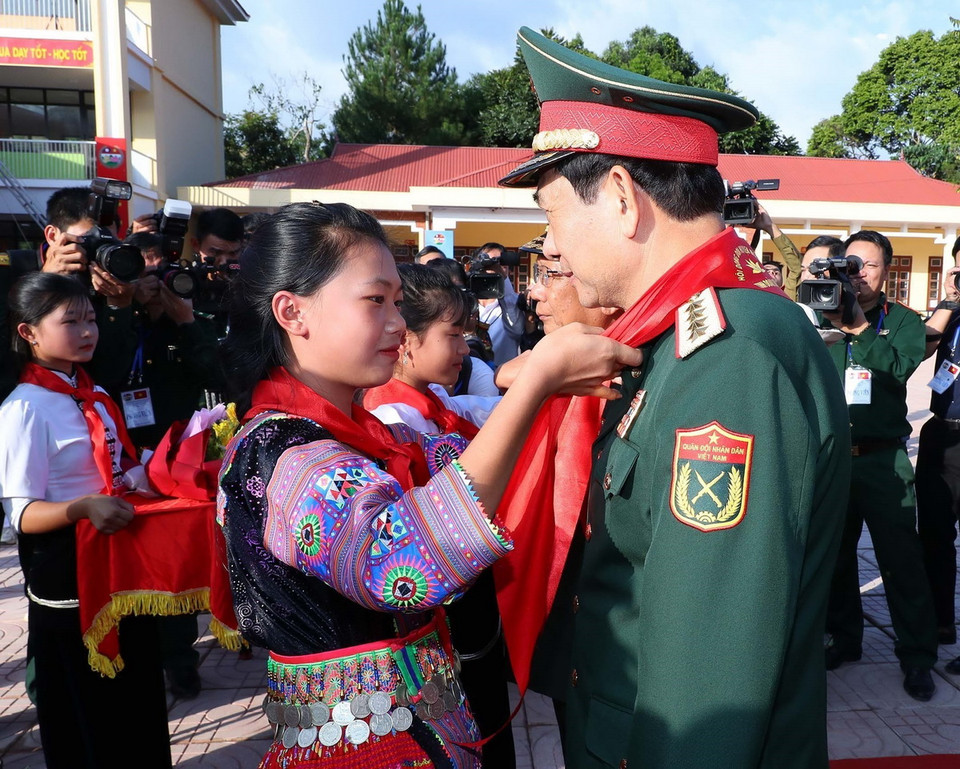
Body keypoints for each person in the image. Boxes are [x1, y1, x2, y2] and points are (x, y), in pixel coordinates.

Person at [495, 27, 850, 769]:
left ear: (621, 197)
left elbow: (708, 671)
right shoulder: (677, 337)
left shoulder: (729, 356)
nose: (551, 247)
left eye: (553, 215)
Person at [216, 201, 640, 768]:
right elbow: (404, 568)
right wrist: (536, 382)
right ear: (293, 313)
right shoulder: (283, 456)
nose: (397, 322)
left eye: (396, 301)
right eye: (376, 301)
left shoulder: (351, 435)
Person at [0, 272, 171, 769]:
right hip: (68, 575)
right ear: (28, 333)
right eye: (69, 321)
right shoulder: (24, 409)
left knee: (136, 694)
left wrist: (161, 476)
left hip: (122, 563)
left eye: (91, 318)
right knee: (85, 705)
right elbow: (23, 515)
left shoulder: (95, 395)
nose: (87, 330)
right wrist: (83, 507)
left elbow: (126, 468)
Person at [362, 263, 512, 767]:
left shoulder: (434, 402)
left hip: (468, 597)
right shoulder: (389, 420)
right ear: (406, 341)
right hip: (440, 608)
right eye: (454, 336)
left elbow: (489, 413)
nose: (466, 351)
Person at [820, 230, 938, 701]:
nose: (859, 273)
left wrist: (859, 329)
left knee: (900, 560)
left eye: (868, 265)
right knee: (836, 559)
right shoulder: (821, 315)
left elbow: (898, 369)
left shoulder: (905, 322)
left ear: (887, 270)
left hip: (883, 460)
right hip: (835, 458)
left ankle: (917, 657)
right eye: (851, 263)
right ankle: (845, 640)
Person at [915, 236, 960, 659]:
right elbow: (922, 349)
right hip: (940, 432)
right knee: (933, 533)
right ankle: (939, 620)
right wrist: (948, 302)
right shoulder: (953, 312)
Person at [472, 242, 525, 366]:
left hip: (503, 379)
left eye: (501, 263)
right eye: (488, 263)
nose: (493, 269)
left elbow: (516, 330)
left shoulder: (515, 302)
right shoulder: (466, 303)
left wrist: (500, 275)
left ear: (508, 271)